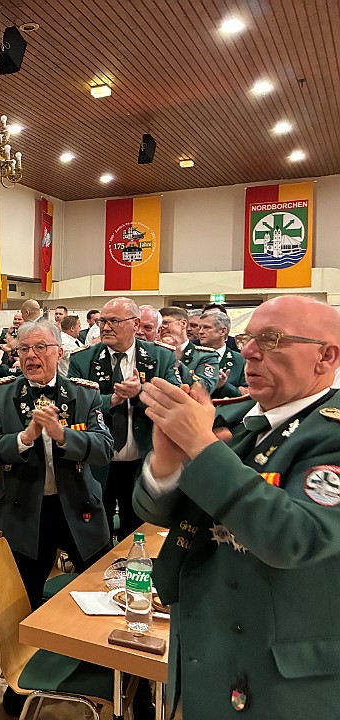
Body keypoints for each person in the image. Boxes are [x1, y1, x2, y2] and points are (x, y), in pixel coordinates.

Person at [134, 295, 340, 718]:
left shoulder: (329, 436)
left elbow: (294, 538)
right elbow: (159, 512)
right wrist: (166, 464)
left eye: (272, 339)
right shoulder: (240, 418)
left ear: (326, 357)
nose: (249, 352)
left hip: (278, 676)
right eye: (249, 338)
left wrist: (200, 446)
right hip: (206, 641)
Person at [0, 321, 113, 607]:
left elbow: (104, 449)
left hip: (77, 503)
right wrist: (24, 438)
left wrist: (63, 436)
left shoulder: (84, 394)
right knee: (25, 599)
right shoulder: (0, 394)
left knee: (101, 590)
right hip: (23, 509)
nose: (31, 355)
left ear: (59, 353)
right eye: (24, 349)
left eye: (40, 347)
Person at [67, 296, 181, 539]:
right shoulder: (82, 359)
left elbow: (175, 401)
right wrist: (112, 400)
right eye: (103, 321)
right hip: (97, 464)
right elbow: (74, 405)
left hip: (142, 460)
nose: (106, 327)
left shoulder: (161, 357)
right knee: (97, 535)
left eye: (114, 321)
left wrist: (141, 392)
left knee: (138, 532)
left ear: (135, 324)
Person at [159, 306, 220, 395]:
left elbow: (205, 388)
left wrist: (175, 361)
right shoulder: (155, 352)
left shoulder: (205, 356)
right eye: (159, 324)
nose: (162, 327)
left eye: (165, 323)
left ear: (183, 323)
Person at [199, 311, 247, 398]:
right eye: (200, 328)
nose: (200, 332)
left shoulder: (240, 360)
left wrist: (223, 386)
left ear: (222, 331)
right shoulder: (191, 356)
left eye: (206, 327)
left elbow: (247, 395)